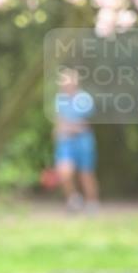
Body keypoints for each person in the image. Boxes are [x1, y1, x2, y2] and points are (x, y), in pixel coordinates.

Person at [53, 67, 99, 213]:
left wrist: (68, 127)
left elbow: (84, 123)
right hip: (65, 141)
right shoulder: (60, 99)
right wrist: (59, 130)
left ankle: (92, 203)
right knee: (64, 172)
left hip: (83, 141)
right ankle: (74, 200)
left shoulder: (84, 99)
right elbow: (59, 121)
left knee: (86, 174)